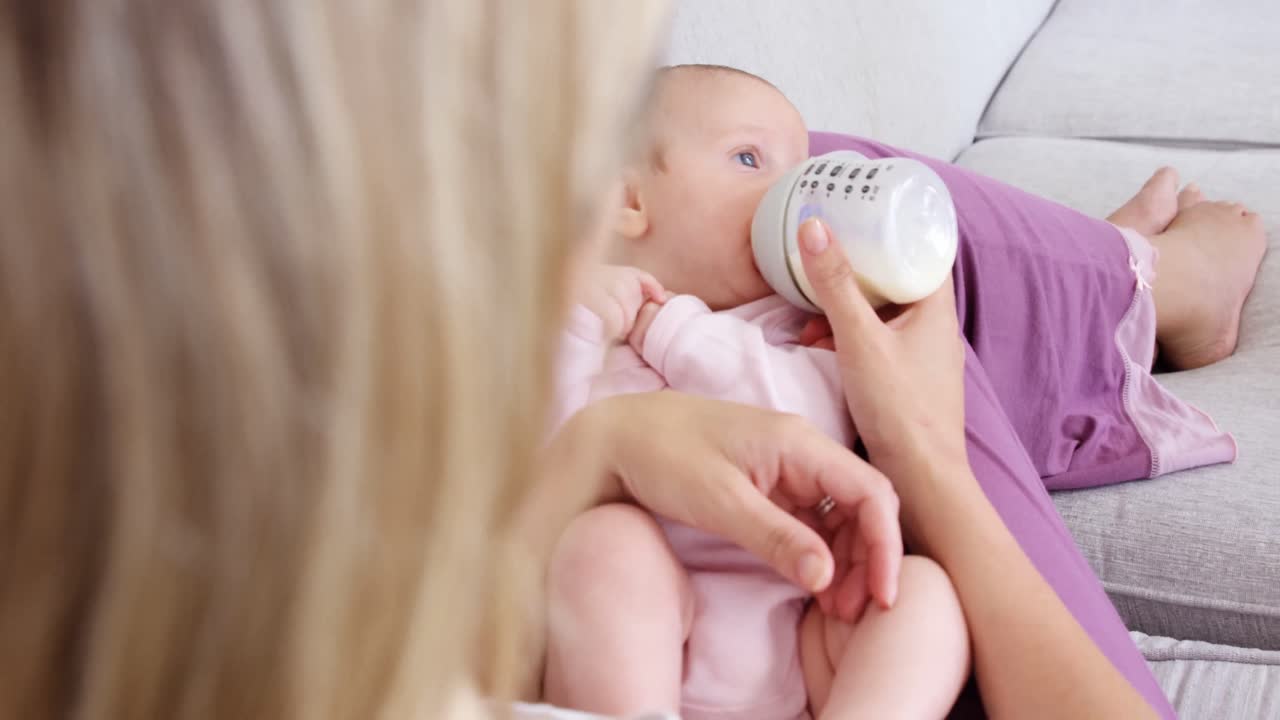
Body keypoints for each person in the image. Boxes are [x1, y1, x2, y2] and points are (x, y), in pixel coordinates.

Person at [0, 5, 1263, 720]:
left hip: (783, 602)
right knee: (869, 217)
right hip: (698, 615)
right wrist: (928, 454)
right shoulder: (580, 311)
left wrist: (607, 447)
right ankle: (1147, 288)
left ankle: (1132, 280)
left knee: (849, 215)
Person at [540, 65, 1263, 719]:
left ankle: (1127, 279)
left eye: (803, 168)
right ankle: (1129, 281)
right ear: (630, 200)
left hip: (800, 635)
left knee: (922, 600)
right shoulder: (581, 311)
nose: (796, 194)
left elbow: (806, 424)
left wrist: (673, 331)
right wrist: (577, 318)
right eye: (749, 160)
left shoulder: (791, 325)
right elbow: (522, 443)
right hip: (656, 641)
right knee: (609, 549)